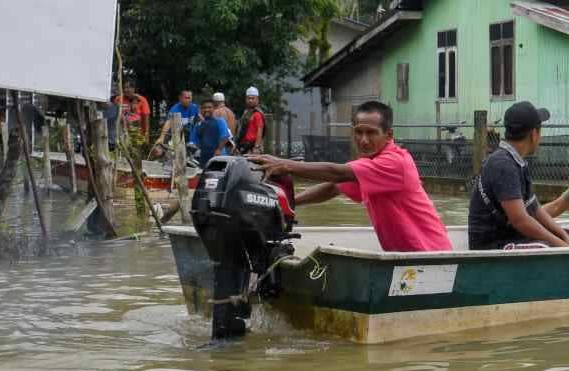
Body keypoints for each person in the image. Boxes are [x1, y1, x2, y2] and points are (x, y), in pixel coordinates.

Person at [247, 100, 452, 252]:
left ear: (389, 135)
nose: (363, 140)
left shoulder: (395, 163)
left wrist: (285, 164)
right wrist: (289, 205)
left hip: (432, 255)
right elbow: (333, 186)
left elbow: (337, 172)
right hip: (404, 258)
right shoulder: (370, 164)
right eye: (358, 132)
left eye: (371, 133)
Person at [468, 101, 569, 250]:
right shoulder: (503, 164)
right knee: (547, 247)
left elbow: (535, 209)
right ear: (534, 134)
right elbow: (520, 220)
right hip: (492, 246)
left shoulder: (517, 161)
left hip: (511, 238)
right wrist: (561, 246)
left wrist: (564, 237)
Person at [150, 89, 199, 157]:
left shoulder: (194, 107)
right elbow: (168, 123)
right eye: (186, 98)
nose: (189, 100)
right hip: (177, 137)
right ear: (180, 98)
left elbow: (200, 118)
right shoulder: (174, 109)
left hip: (190, 137)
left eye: (190, 98)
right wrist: (161, 137)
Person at [189, 99, 232, 167]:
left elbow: (224, 137)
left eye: (209, 107)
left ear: (214, 108)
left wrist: (218, 150)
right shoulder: (198, 125)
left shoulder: (220, 121)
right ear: (201, 110)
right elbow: (193, 142)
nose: (206, 110)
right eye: (204, 108)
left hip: (218, 157)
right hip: (203, 158)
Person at [235, 86, 265, 155]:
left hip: (252, 147)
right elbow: (240, 131)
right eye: (249, 98)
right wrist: (236, 146)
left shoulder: (257, 114)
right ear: (246, 99)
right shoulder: (245, 113)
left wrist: (257, 147)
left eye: (253, 98)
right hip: (243, 146)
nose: (250, 100)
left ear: (257, 100)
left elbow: (260, 130)